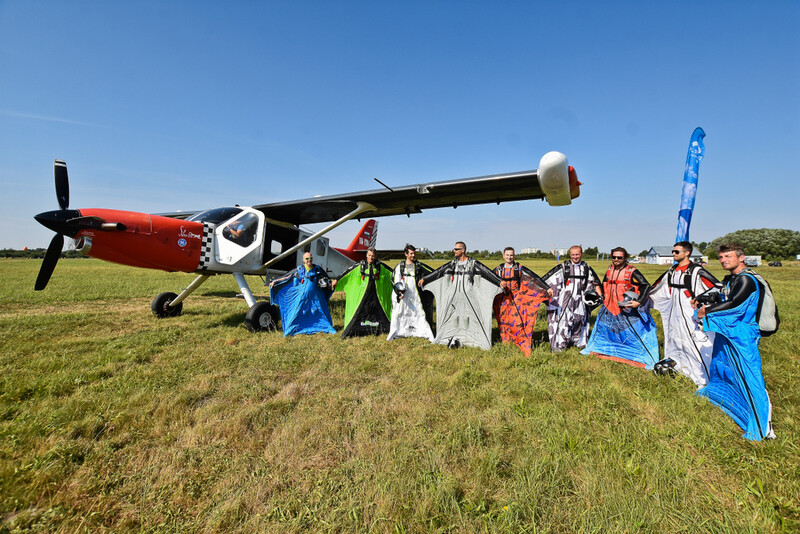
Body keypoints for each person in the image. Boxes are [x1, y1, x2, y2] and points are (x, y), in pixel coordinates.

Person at [694, 243, 775, 441]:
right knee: (721, 366)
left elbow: (734, 303)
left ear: (741, 257)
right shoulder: (732, 279)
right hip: (728, 331)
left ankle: (761, 427)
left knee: (749, 376)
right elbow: (720, 294)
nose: (723, 260)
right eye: (721, 257)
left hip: (742, 334)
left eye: (727, 256)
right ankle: (722, 396)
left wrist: (707, 311)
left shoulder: (746, 279)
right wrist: (702, 298)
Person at [649, 241, 720, 387]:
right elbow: (656, 286)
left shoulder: (696, 271)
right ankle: (678, 364)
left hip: (690, 313)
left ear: (687, 253)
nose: (673, 254)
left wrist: (704, 303)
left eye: (676, 252)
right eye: (673, 251)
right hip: (674, 312)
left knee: (694, 340)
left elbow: (716, 288)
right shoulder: (672, 270)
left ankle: (703, 374)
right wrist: (642, 299)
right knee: (674, 336)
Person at [581, 247, 659, 369]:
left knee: (633, 333)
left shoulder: (632, 271)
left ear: (625, 258)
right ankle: (604, 349)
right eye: (614, 257)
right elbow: (604, 284)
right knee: (605, 331)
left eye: (619, 257)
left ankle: (641, 355)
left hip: (626, 309)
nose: (616, 260)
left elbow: (646, 286)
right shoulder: (609, 269)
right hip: (609, 308)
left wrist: (639, 302)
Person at [419, 241, 501, 350]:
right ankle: (453, 336)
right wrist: (426, 279)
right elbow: (439, 271)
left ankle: (475, 339)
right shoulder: (453, 264)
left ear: (462, 250)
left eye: (456, 249)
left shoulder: (473, 263)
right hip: (455, 298)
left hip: (470, 298)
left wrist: (499, 281)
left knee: (471, 318)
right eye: (454, 249)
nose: (454, 251)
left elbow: (486, 271)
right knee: (454, 318)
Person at [542, 245, 602, 352]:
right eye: (573, 255)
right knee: (564, 322)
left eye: (577, 254)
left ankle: (579, 342)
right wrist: (546, 290)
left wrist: (600, 296)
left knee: (580, 321)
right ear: (570, 255)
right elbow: (547, 280)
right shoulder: (563, 267)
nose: (575, 257)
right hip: (566, 301)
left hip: (581, 301)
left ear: (582, 254)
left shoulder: (586, 268)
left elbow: (596, 282)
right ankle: (560, 345)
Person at [493, 247, 549, 357]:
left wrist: (546, 288)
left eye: (511, 255)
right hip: (502, 301)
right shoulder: (498, 269)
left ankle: (523, 344)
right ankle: (507, 342)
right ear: (503, 256)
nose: (509, 257)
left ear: (514, 256)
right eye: (507, 255)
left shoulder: (519, 268)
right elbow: (489, 279)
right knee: (503, 322)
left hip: (516, 300)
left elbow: (534, 278)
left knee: (517, 322)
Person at [269, 252, 336, 336]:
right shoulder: (300, 269)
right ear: (303, 260)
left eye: (310, 258)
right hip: (302, 296)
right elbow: (287, 276)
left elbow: (326, 279)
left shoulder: (317, 268)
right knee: (297, 311)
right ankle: (290, 329)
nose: (309, 260)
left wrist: (331, 284)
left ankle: (326, 327)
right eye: (307, 259)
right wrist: (275, 281)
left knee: (319, 311)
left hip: (315, 297)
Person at [332, 247, 394, 338]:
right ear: (366, 255)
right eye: (369, 255)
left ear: (375, 256)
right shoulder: (360, 266)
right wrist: (337, 280)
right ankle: (356, 327)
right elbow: (347, 273)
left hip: (376, 295)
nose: (371, 258)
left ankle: (381, 326)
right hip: (364, 295)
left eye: (373, 256)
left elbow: (393, 273)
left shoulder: (380, 266)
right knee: (362, 309)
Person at [387, 244, 435, 342]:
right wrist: (399, 292)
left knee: (418, 313)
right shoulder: (400, 266)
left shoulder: (418, 265)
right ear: (406, 254)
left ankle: (419, 331)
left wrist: (423, 279)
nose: (413, 255)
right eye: (411, 254)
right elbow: (396, 280)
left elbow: (427, 274)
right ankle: (399, 331)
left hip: (415, 295)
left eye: (414, 253)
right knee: (400, 313)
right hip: (404, 295)